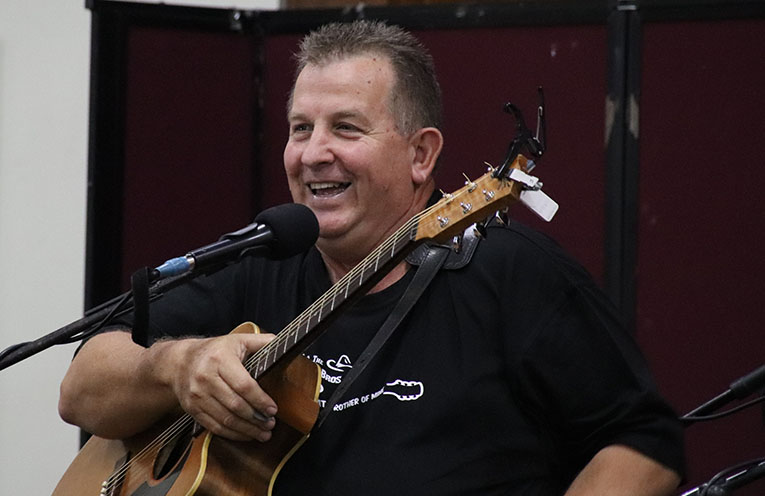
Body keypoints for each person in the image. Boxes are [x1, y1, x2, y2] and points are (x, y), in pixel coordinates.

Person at [59, 20, 684, 495]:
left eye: (346, 128)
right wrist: (180, 365)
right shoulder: (260, 265)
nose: (313, 153)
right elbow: (81, 389)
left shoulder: (513, 274)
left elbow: (645, 445)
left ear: (422, 155)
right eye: (300, 128)